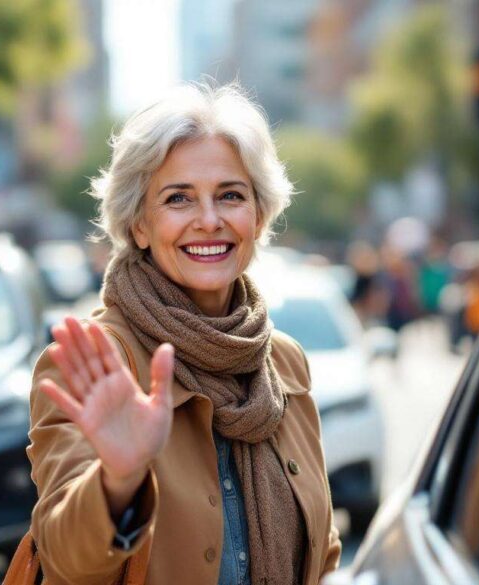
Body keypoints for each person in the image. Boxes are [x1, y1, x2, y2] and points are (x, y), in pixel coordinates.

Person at [27, 83, 342, 585]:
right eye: (178, 199)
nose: (209, 220)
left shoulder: (283, 362)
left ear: (258, 217)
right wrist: (119, 480)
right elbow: (67, 561)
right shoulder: (95, 362)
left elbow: (320, 555)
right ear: (138, 226)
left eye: (230, 196)